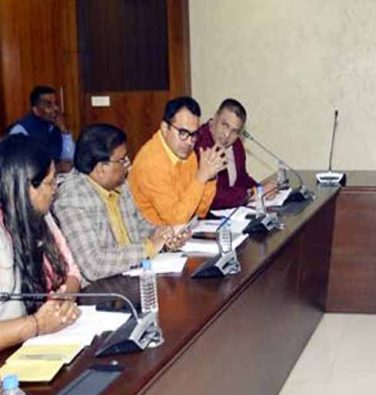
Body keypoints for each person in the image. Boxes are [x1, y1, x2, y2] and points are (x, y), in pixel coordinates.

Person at [53, 124, 185, 285]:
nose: (128, 164)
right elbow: (94, 264)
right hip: (102, 290)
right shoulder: (72, 198)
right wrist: (149, 248)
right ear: (101, 168)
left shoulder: (120, 185)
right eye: (122, 160)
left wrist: (165, 237)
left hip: (131, 276)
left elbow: (141, 227)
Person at [0, 135, 81, 351]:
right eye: (51, 182)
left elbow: (72, 272)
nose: (55, 189)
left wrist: (63, 301)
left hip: (38, 343)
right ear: (26, 186)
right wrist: (36, 324)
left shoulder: (41, 215)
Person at [129, 96, 225, 225]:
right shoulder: (150, 163)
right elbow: (175, 220)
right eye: (183, 132)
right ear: (165, 128)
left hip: (183, 230)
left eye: (194, 134)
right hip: (152, 234)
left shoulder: (186, 153)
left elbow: (200, 211)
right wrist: (201, 177)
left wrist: (210, 177)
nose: (189, 142)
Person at [194, 99, 264, 209]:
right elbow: (212, 197)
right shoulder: (198, 143)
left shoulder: (236, 145)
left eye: (234, 131)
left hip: (234, 212)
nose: (227, 134)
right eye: (224, 125)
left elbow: (242, 178)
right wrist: (249, 194)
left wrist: (261, 189)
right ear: (215, 116)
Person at [8, 85, 75, 173]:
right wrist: (54, 169)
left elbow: (69, 158)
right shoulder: (21, 131)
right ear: (36, 110)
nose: (56, 108)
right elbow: (16, 168)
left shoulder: (55, 127)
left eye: (56, 103)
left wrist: (64, 131)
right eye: (48, 105)